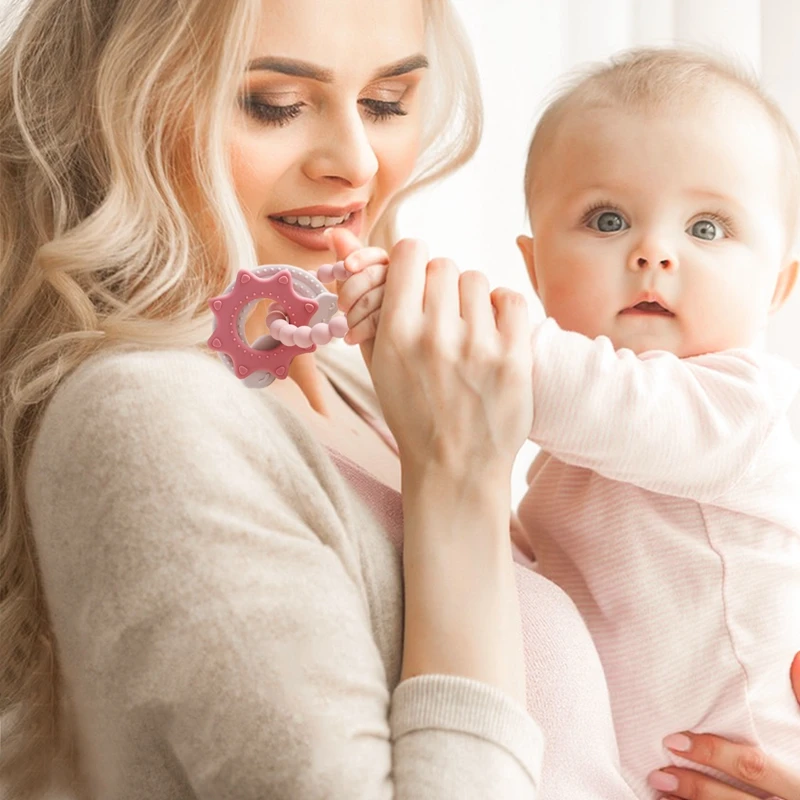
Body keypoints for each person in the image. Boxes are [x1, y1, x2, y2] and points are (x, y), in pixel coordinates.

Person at [0, 0, 796, 793]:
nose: (356, 161)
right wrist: (458, 482)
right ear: (113, 110)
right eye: (272, 106)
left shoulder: (362, 381)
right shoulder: (147, 417)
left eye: (387, 103)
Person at [338, 46, 800, 799]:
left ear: (777, 283)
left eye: (708, 229)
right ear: (535, 268)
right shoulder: (575, 452)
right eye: (608, 219)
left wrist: (447, 323)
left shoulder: (740, 407)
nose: (654, 252)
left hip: (754, 758)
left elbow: (600, 400)